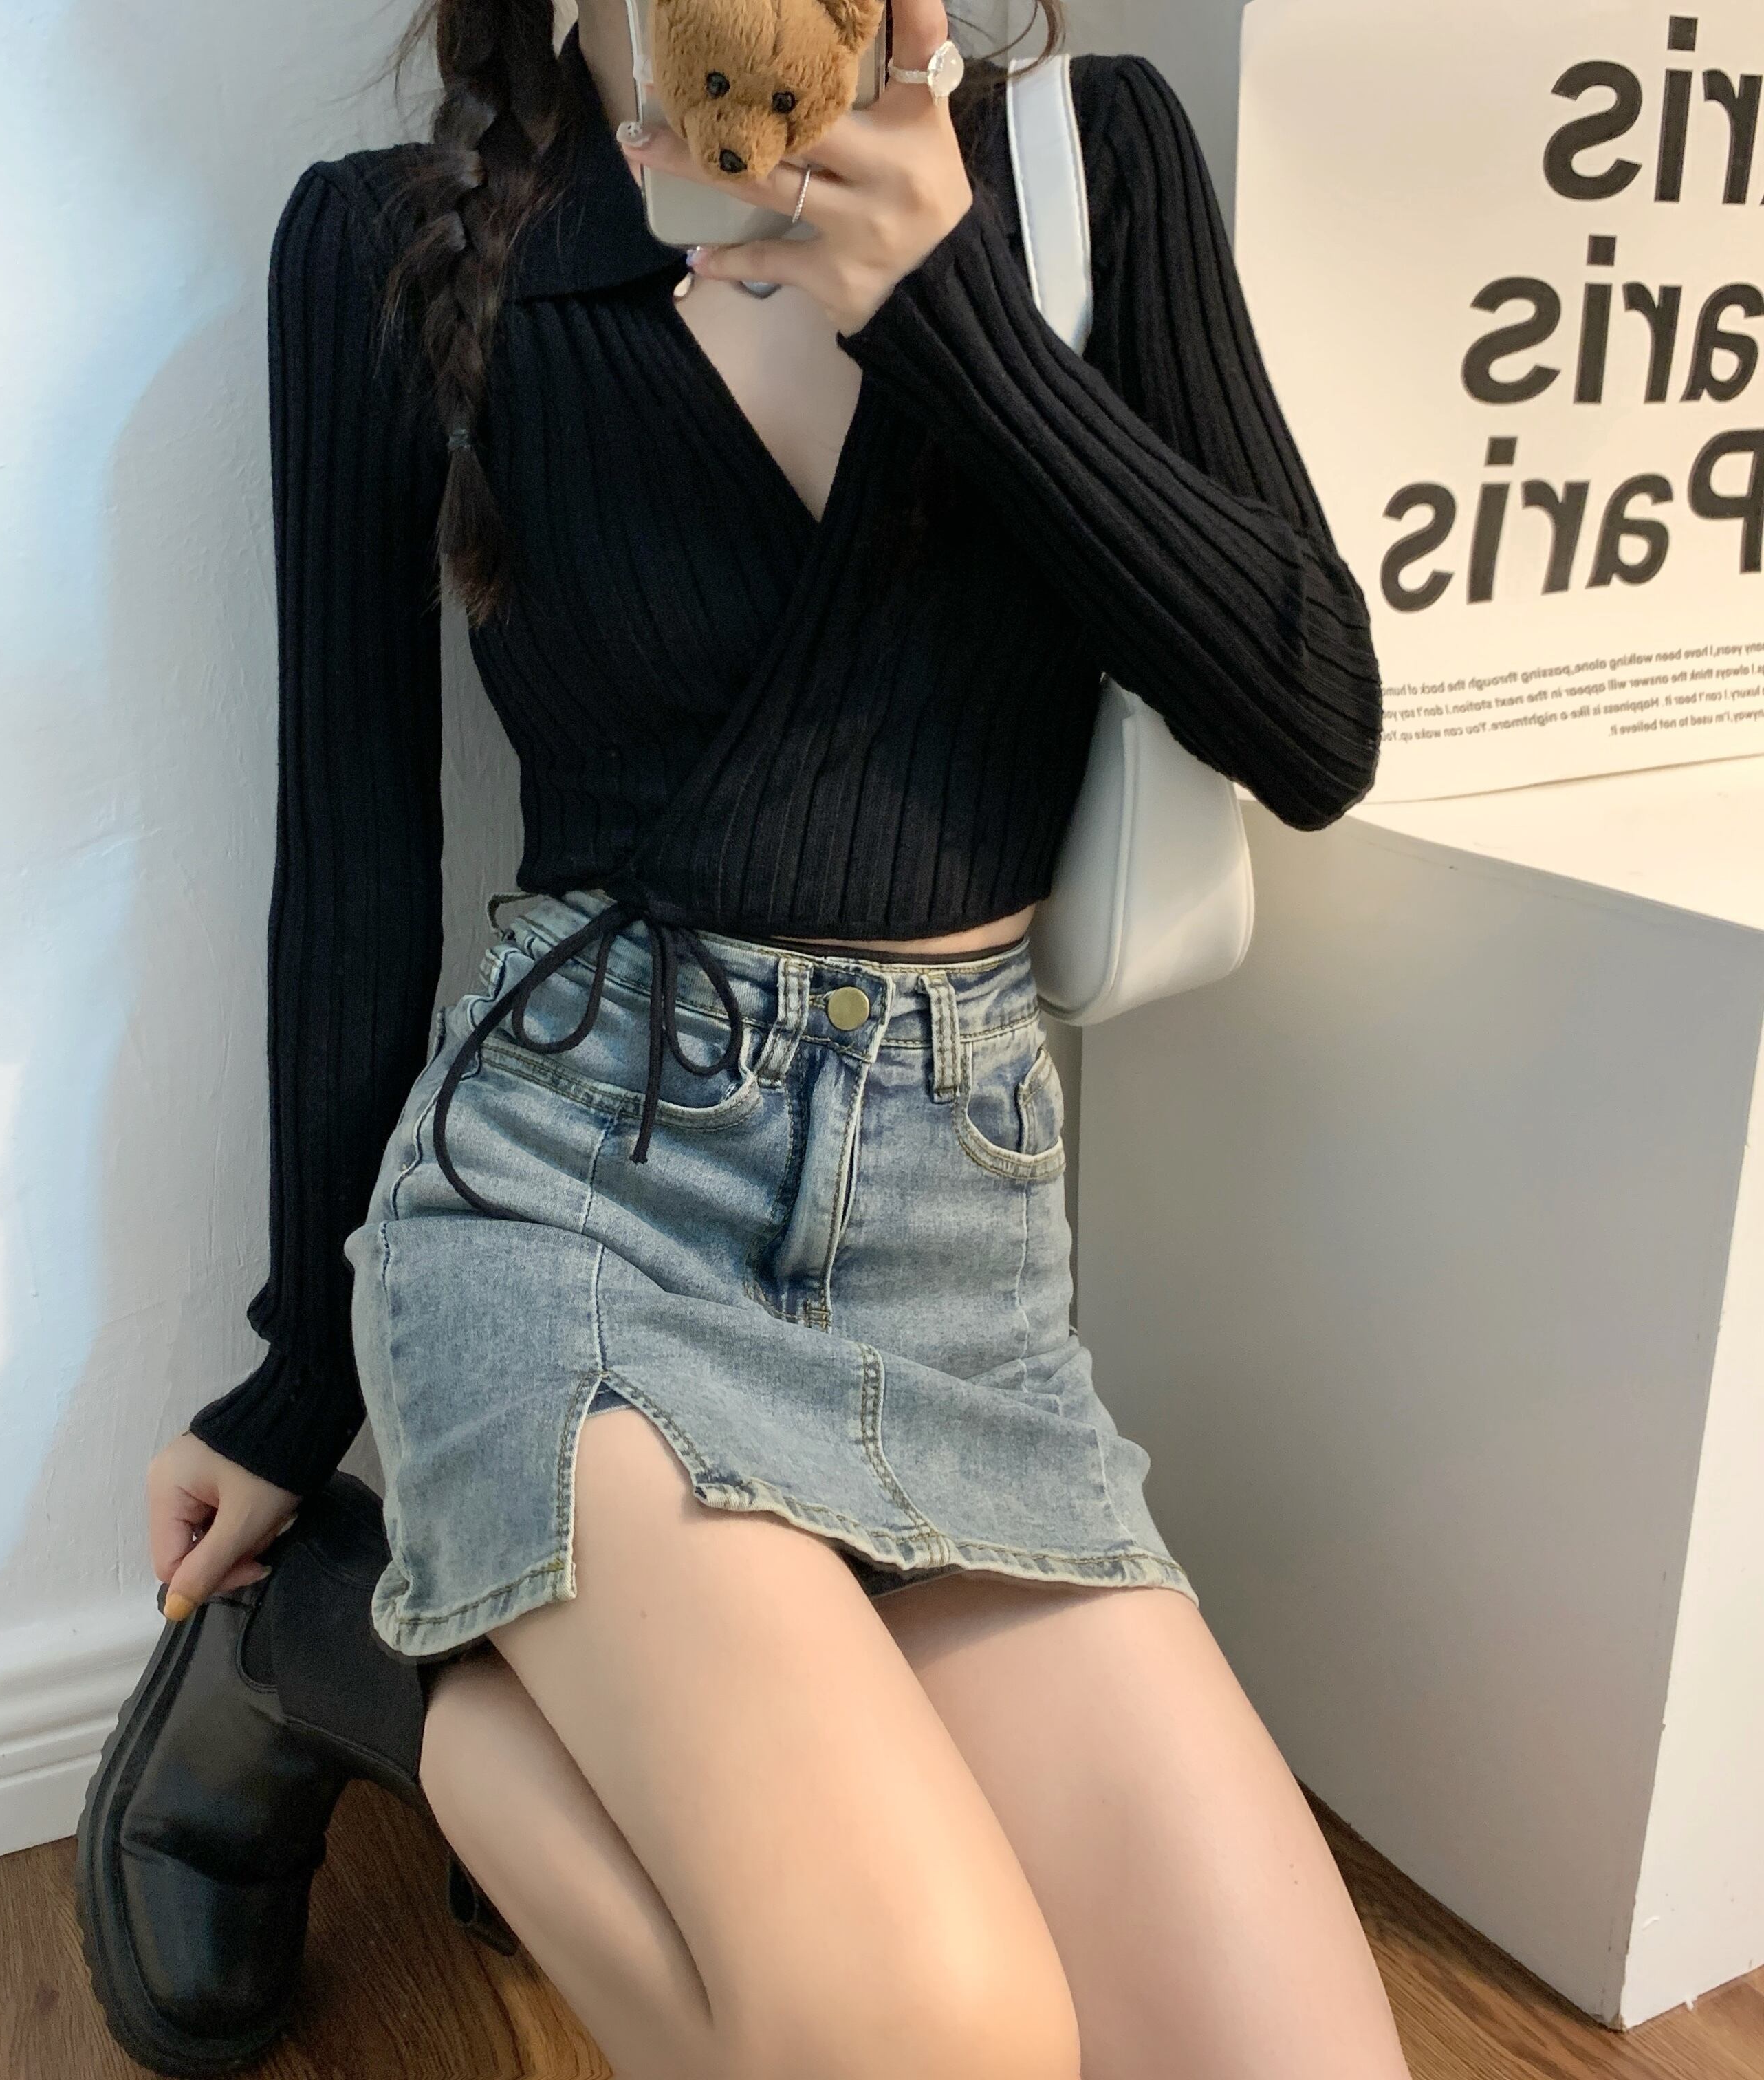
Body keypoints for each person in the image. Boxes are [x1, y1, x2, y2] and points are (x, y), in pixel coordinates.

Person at [94, 1, 1412, 2074]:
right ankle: (336, 1646)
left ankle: (361, 1646)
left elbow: (1313, 723)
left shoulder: (1079, 161)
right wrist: (289, 1391)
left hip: (960, 1258)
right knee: (930, 2036)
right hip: (572, 1191)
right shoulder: (397, 234)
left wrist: (948, 311)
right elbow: (351, 860)